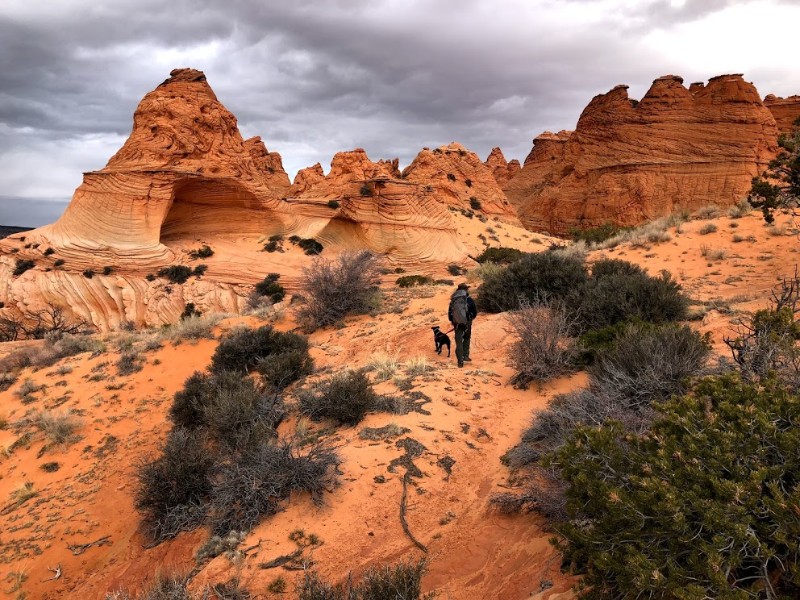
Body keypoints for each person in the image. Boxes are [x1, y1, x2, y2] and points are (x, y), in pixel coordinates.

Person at [448, 282, 477, 368]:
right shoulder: (469, 299)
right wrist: (470, 318)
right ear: (466, 289)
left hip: (456, 323)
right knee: (467, 338)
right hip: (467, 322)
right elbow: (474, 311)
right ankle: (466, 356)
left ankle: (460, 362)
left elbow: (450, 313)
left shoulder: (453, 300)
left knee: (458, 341)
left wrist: (453, 321)